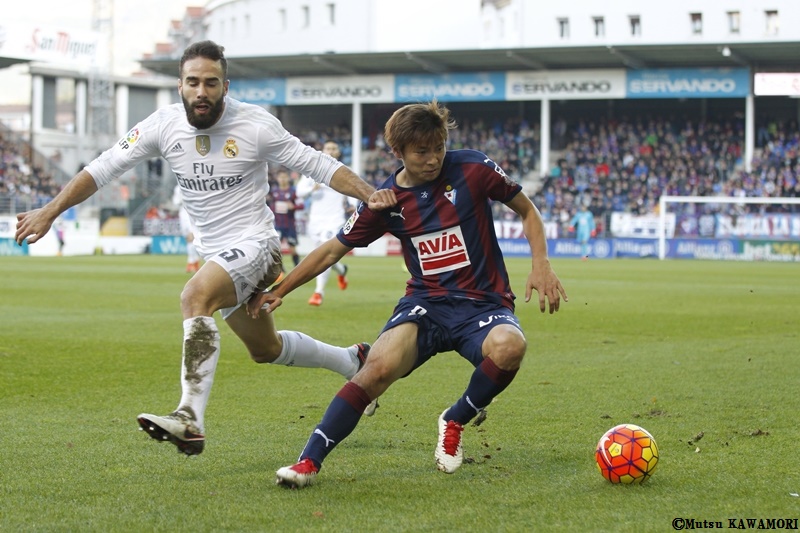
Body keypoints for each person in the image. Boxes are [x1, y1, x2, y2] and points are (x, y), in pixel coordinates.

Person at [15, 40, 395, 456]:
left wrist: (370, 193)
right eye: (193, 82)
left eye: (210, 82)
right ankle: (351, 361)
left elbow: (318, 164)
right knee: (265, 350)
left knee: (194, 295)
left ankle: (189, 417)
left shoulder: (255, 125)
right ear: (180, 85)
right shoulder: (161, 125)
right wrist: (50, 210)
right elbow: (102, 168)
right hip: (219, 256)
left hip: (257, 245)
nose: (201, 91)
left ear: (225, 86)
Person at [248, 100, 567, 488]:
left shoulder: (473, 168)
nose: (433, 159)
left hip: (483, 304)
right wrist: (280, 290)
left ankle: (455, 419)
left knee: (510, 347)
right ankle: (307, 462)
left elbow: (527, 210)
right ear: (398, 152)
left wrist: (541, 264)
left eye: (439, 147)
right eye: (421, 152)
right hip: (426, 306)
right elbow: (333, 249)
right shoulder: (385, 202)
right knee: (376, 371)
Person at [295, 140, 354, 306]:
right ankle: (342, 270)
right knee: (324, 256)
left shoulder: (345, 171)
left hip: (335, 219)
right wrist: (311, 189)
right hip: (315, 220)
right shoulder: (312, 171)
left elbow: (353, 192)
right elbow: (300, 193)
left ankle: (318, 293)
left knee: (324, 251)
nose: (330, 151)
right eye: (328, 148)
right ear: (323, 150)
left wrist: (354, 207)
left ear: (338, 152)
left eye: (334, 148)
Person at [267, 168, 302, 274]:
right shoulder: (274, 192)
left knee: (293, 249)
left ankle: (297, 269)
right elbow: (270, 206)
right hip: (278, 225)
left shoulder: (293, 191)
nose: (282, 179)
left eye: (284, 177)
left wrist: (293, 207)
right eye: (280, 177)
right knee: (277, 249)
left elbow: (301, 205)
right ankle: (280, 270)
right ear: (277, 178)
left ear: (288, 178)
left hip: (290, 225)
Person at [172, 184, 201, 273]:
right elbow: (176, 201)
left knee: (191, 236)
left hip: (191, 211)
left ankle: (191, 262)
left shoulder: (194, 184)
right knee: (188, 239)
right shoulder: (177, 187)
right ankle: (194, 260)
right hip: (182, 212)